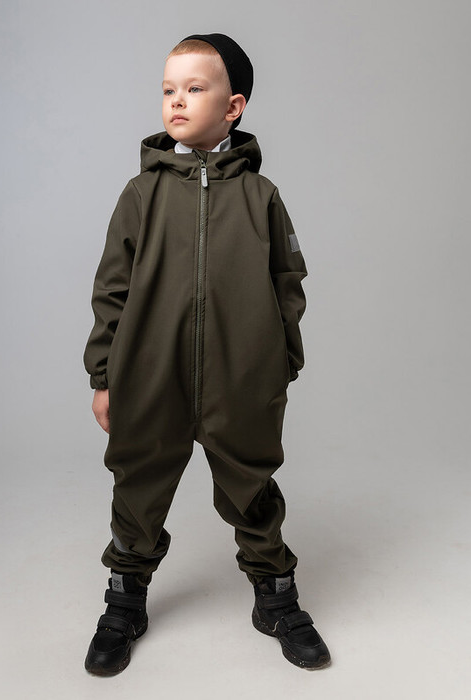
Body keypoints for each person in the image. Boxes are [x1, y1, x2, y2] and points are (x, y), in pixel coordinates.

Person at [83, 32, 331, 675]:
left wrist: (281, 360)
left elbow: (288, 282)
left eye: (195, 88)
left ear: (233, 106)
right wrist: (104, 375)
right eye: (168, 89)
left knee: (252, 485)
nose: (177, 100)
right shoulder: (140, 195)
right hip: (150, 375)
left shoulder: (261, 195)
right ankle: (124, 601)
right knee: (138, 485)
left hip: (242, 376)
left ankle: (276, 597)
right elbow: (111, 289)